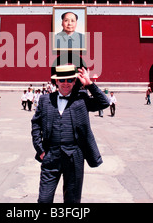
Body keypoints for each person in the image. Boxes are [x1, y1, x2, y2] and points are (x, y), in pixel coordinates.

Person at [31, 64, 109, 203]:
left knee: (72, 200)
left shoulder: (82, 99)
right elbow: (35, 124)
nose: (65, 83)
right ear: (56, 81)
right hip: (50, 156)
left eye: (69, 80)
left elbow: (104, 103)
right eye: (62, 80)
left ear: (74, 81)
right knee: (44, 200)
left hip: (74, 157)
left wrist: (89, 83)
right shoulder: (45, 100)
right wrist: (40, 149)